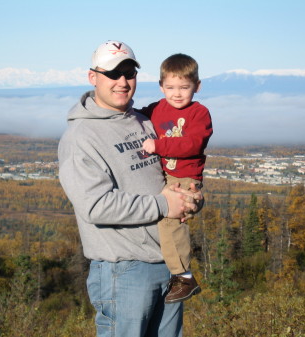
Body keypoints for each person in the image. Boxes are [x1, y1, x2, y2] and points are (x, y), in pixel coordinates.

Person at [58, 40, 202, 337]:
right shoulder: (81, 137)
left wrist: (190, 199)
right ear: (92, 77)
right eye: (113, 73)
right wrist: (165, 206)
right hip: (124, 272)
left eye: (129, 72)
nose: (122, 81)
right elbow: (96, 206)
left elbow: (172, 173)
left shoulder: (143, 122)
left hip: (169, 266)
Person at [140, 54, 213, 303]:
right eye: (170, 87)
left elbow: (191, 144)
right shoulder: (156, 108)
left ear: (197, 86)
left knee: (171, 220)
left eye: (184, 87)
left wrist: (158, 145)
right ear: (161, 87)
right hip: (167, 175)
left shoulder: (199, 114)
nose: (177, 94)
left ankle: (184, 276)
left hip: (184, 177)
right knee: (164, 218)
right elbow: (136, 117)